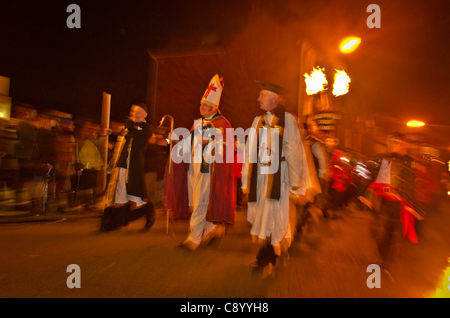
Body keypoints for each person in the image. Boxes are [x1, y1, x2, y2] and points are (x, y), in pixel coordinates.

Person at [241, 81, 317, 273]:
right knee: (264, 220)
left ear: (273, 98)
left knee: (276, 219)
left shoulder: (289, 121)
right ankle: (273, 253)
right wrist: (246, 181)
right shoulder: (258, 121)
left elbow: (296, 154)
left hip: (280, 179)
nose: (258, 99)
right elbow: (250, 153)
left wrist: (296, 184)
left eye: (262, 95)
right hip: (261, 179)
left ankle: (266, 257)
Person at [162, 74, 236, 250]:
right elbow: (188, 142)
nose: (202, 107)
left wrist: (211, 141)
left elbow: (227, 146)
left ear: (214, 107)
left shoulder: (222, 124)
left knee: (202, 201)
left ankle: (194, 239)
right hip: (194, 168)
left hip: (208, 169)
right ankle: (214, 229)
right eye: (201, 104)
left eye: (206, 105)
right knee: (197, 201)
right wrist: (173, 142)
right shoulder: (198, 123)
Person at [365, 131, 422, 275]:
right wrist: (374, 194)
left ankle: (386, 264)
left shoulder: (409, 161)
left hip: (399, 204)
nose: (398, 145)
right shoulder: (386, 158)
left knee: (392, 235)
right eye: (395, 142)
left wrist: (408, 200)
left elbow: (410, 182)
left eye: (400, 143)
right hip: (385, 202)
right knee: (380, 233)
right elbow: (380, 179)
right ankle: (382, 257)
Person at [101, 103, 155, 230]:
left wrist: (128, 125)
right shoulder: (127, 127)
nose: (135, 114)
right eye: (133, 111)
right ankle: (116, 221)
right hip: (121, 165)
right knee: (119, 195)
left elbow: (135, 134)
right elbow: (122, 140)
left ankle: (149, 212)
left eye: (139, 112)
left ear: (145, 115)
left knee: (137, 196)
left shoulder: (145, 128)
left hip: (134, 166)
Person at [14, 105, 53, 214]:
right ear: (28, 112)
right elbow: (34, 139)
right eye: (34, 113)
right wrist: (42, 128)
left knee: (30, 180)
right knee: (31, 180)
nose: (35, 116)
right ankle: (31, 205)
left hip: (31, 156)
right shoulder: (24, 124)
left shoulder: (28, 125)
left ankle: (30, 204)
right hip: (28, 156)